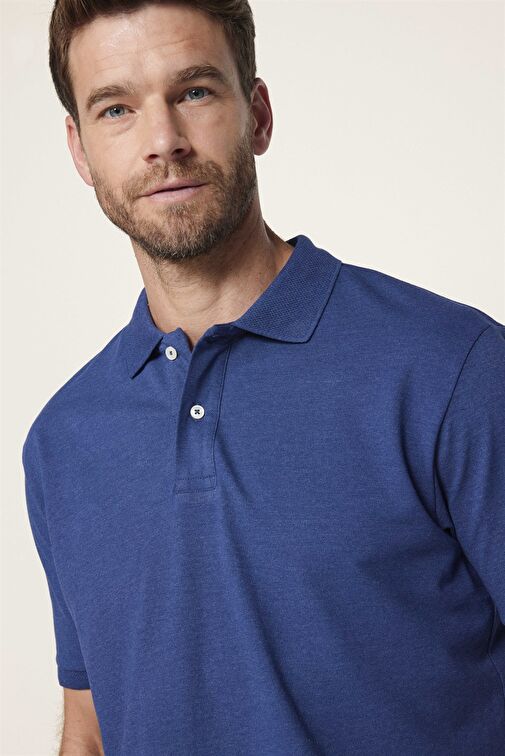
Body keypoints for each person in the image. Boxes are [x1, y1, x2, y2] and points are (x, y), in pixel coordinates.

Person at [21, 1, 505, 754]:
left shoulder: (453, 369)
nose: (163, 141)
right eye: (116, 108)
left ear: (258, 114)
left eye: (194, 91)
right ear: (80, 151)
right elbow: (89, 731)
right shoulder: (62, 443)